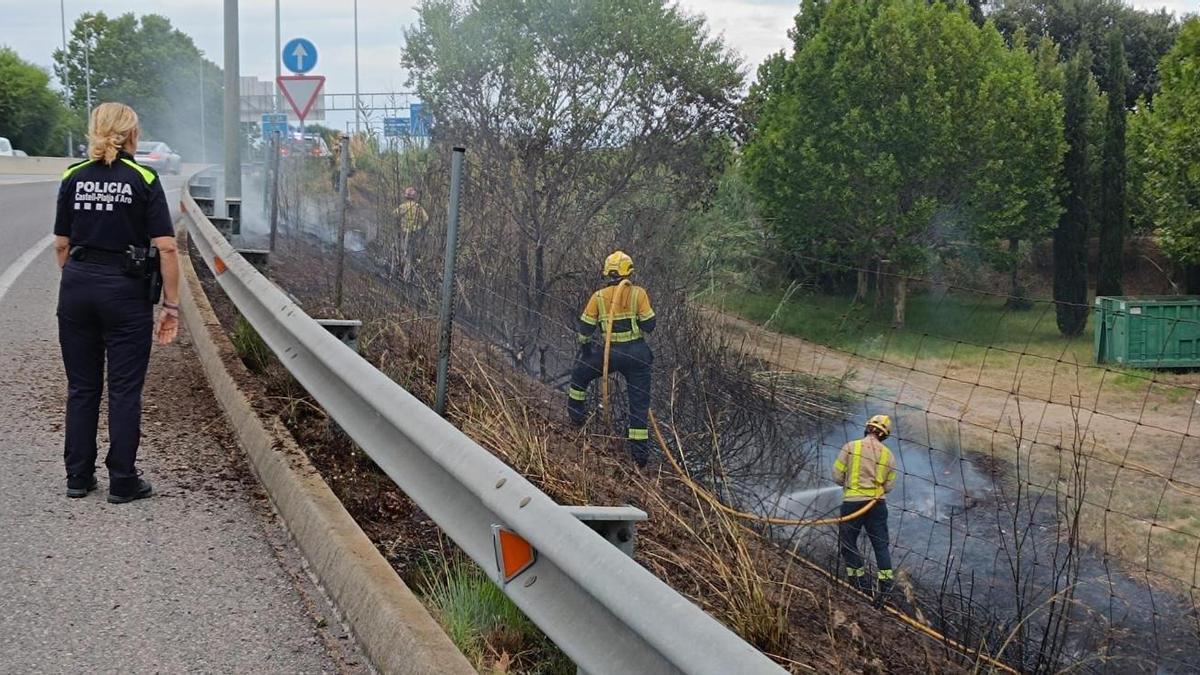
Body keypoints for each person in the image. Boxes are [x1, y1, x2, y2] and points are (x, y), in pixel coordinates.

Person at [54, 102, 180, 504]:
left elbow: (61, 243)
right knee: (124, 390)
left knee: (82, 386)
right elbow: (167, 247)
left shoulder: (73, 176)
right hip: (125, 291)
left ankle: (78, 477)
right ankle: (123, 481)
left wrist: (78, 281)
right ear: (132, 135)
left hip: (77, 286)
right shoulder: (143, 177)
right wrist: (171, 306)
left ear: (95, 131)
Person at [567, 251, 657, 467]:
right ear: (630, 271)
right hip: (637, 354)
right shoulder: (638, 294)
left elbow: (585, 328)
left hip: (610, 353)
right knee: (639, 405)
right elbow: (649, 325)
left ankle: (576, 417)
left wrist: (586, 348)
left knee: (580, 374)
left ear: (607, 272)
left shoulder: (599, 297)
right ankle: (639, 457)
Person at [833, 414, 898, 603]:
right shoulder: (889, 455)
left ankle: (860, 584)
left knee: (848, 543)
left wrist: (849, 485)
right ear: (884, 436)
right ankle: (886, 588)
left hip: (853, 503)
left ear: (867, 428)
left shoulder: (851, 447)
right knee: (880, 545)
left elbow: (837, 475)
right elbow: (889, 487)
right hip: (877, 505)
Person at [394, 186, 428, 282]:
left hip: (404, 234)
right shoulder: (418, 208)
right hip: (415, 235)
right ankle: (407, 278)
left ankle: (400, 275)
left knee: (401, 253)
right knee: (411, 256)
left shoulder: (403, 207)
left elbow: (394, 215)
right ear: (414, 197)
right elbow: (426, 219)